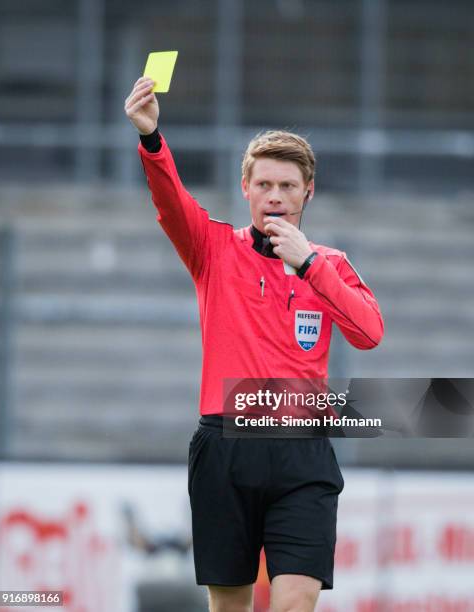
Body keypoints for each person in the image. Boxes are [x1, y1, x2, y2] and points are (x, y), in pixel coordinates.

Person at [125, 76, 384, 612]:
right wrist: (152, 139)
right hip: (226, 448)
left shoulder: (329, 265)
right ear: (245, 188)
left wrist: (308, 263)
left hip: (302, 452)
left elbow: (369, 332)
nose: (275, 196)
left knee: (295, 602)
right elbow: (171, 202)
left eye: (288, 186)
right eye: (264, 184)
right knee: (230, 607)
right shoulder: (213, 248)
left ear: (308, 192)